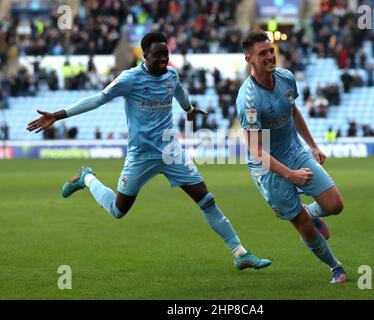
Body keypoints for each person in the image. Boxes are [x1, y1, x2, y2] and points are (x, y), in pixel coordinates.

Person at [26, 32, 271, 271]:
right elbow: (99, 99)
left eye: (166, 54)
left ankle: (240, 254)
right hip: (141, 156)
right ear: (145, 56)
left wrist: (189, 109)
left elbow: (179, 93)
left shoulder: (171, 75)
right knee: (118, 211)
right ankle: (86, 178)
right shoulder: (129, 79)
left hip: (171, 152)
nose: (164, 59)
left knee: (206, 199)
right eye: (158, 56)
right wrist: (58, 115)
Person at [236, 31, 346, 283]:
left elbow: (293, 112)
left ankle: (310, 211)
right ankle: (335, 267)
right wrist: (290, 175)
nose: (269, 56)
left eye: (270, 50)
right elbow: (256, 151)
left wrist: (313, 145)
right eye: (262, 53)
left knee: (335, 205)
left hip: (294, 152)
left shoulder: (286, 78)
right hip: (267, 169)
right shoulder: (248, 101)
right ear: (249, 59)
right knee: (304, 225)